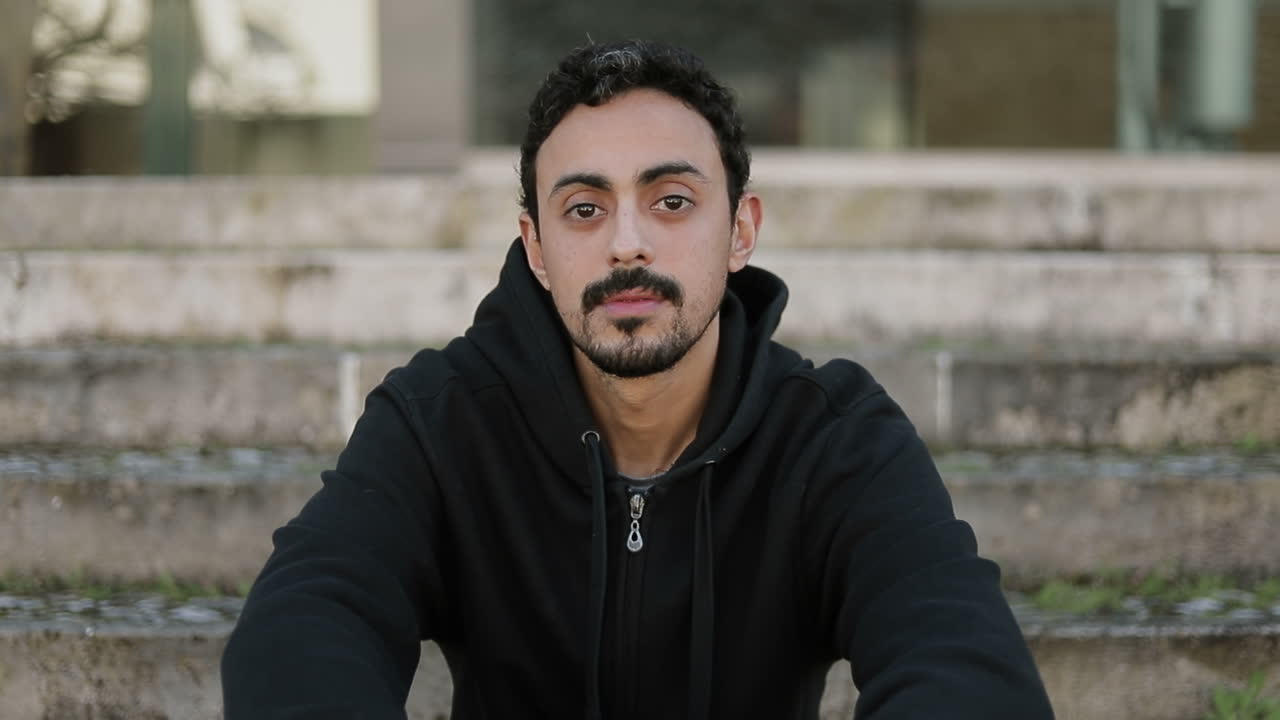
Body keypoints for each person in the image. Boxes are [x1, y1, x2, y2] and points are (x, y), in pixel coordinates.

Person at [221, 40, 1055, 719]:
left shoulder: (834, 437)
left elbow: (962, 664)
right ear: (537, 248)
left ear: (741, 229)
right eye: (585, 208)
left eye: (672, 201)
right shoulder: (440, 422)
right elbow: (306, 623)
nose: (628, 243)